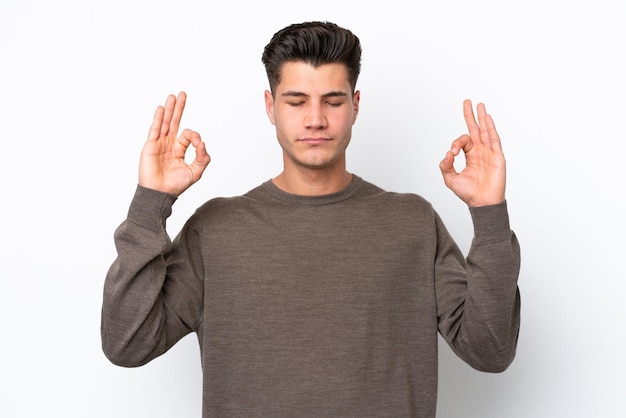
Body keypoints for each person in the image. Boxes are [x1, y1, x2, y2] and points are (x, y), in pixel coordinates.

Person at [101, 21, 520, 418]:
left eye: (333, 101)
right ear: (270, 106)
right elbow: (127, 343)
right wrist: (150, 203)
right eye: (296, 101)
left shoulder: (411, 223)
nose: (315, 119)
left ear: (355, 105)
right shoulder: (216, 229)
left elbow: (490, 351)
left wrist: (489, 217)